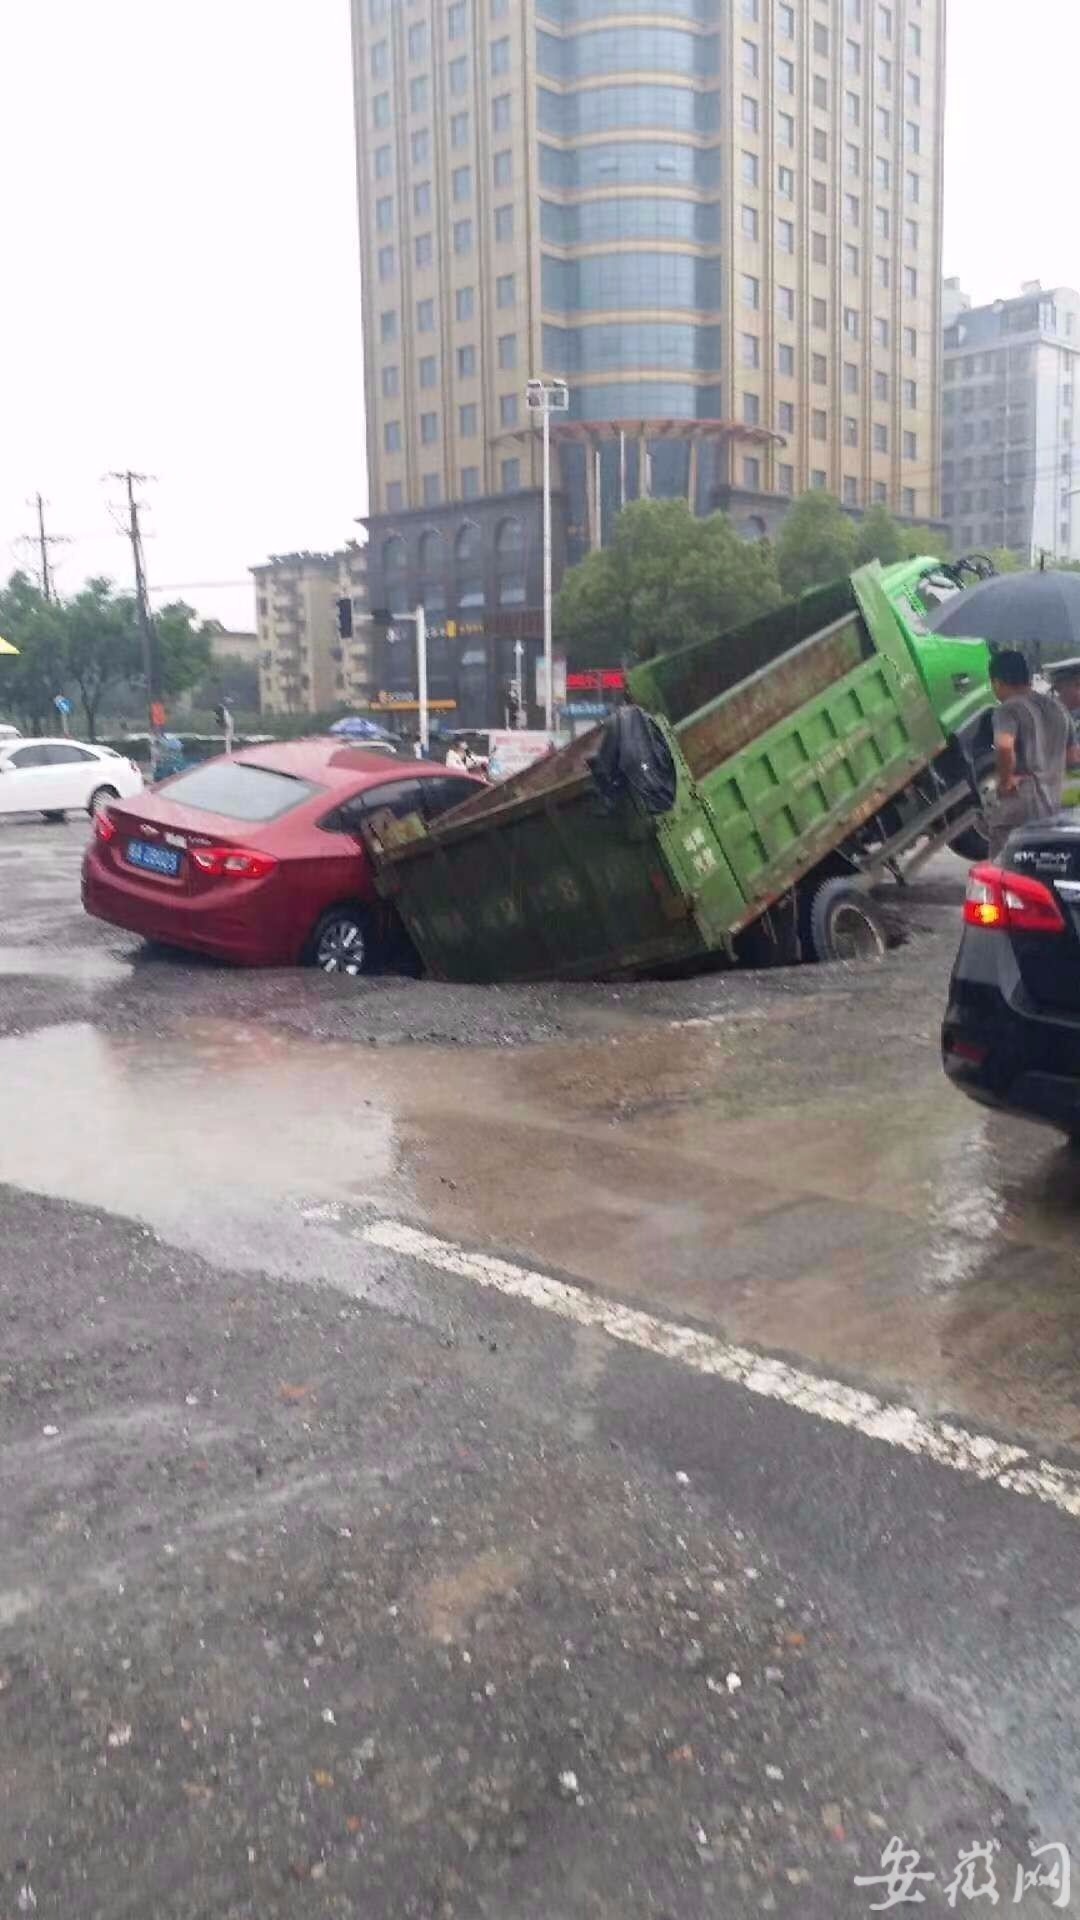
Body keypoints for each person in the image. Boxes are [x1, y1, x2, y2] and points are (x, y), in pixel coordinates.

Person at [986, 648, 1070, 860]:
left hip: (1020, 807)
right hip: (1052, 805)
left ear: (997, 682)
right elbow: (1074, 755)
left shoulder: (1007, 709)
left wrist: (1005, 781)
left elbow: (1005, 746)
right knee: (1040, 868)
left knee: (1004, 870)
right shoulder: (1058, 708)